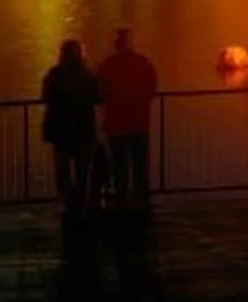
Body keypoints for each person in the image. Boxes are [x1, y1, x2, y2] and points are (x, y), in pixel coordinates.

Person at [95, 26, 161, 210]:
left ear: (116, 43)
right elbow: (151, 87)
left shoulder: (108, 65)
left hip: (116, 123)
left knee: (119, 164)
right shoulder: (143, 63)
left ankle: (121, 198)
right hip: (139, 121)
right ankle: (141, 198)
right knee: (140, 163)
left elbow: (99, 90)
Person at [41, 38, 103, 210]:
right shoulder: (87, 75)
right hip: (83, 130)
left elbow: (46, 96)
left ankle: (68, 201)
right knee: (83, 170)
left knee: (63, 169)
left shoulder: (55, 74)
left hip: (61, 131)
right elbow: (98, 96)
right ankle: (81, 202)